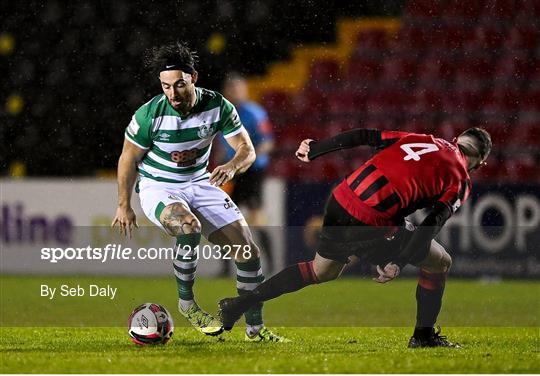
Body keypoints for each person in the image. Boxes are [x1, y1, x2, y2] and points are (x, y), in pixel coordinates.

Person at [218, 127, 492, 348]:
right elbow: (431, 224)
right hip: (372, 221)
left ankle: (238, 304)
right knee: (440, 262)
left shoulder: (422, 139)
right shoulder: (460, 179)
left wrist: (317, 149)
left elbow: (365, 136)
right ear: (479, 163)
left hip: (341, 199)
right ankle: (423, 336)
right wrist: (400, 260)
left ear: (456, 140)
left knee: (321, 270)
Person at [111, 42, 287, 342]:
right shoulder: (149, 115)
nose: (172, 93)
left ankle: (255, 330)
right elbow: (128, 157)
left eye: (179, 84)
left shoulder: (218, 106)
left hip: (201, 184)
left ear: (193, 77)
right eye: (166, 86)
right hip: (159, 186)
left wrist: (231, 167)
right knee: (187, 227)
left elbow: (247, 149)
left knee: (248, 252)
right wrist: (123, 204)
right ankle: (187, 304)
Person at [218, 72, 275, 276]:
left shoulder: (254, 112)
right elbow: (220, 145)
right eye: (230, 88)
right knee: (224, 219)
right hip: (230, 172)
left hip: (252, 171)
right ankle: (225, 269)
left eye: (237, 87)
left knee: (256, 217)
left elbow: (267, 143)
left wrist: (246, 159)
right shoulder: (222, 113)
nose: (234, 91)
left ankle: (271, 266)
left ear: (245, 89)